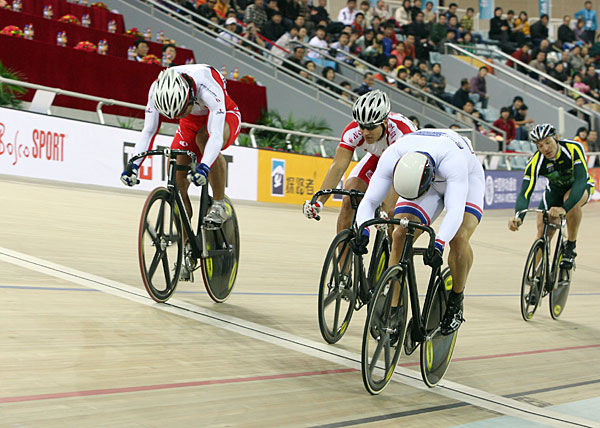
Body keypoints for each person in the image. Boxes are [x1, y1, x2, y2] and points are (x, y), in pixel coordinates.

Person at [352, 128, 485, 335]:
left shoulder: (453, 160)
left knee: (458, 238)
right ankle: (394, 308)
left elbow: (455, 210)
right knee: (399, 235)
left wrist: (439, 244)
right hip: (423, 182)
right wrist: (364, 231)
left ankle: (456, 301)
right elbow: (369, 200)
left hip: (465, 179)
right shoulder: (394, 154)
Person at [121, 66, 242, 278]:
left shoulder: (207, 86)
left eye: (180, 110)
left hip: (224, 115)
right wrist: (133, 165)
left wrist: (204, 166)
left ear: (190, 96)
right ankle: (188, 248)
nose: (176, 115)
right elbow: (149, 131)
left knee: (204, 139)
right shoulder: (156, 90)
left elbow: (214, 136)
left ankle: (220, 203)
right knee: (176, 171)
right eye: (173, 114)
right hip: (190, 124)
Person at [302, 90, 417, 235]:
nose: (365, 132)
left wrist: (385, 210)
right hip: (377, 158)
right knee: (350, 195)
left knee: (392, 216)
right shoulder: (353, 130)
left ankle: (393, 255)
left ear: (385, 122)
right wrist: (319, 202)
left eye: (371, 127)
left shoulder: (402, 133)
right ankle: (343, 257)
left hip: (406, 167)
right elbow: (338, 167)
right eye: (362, 126)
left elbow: (399, 176)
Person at [509, 124, 595, 271]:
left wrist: (564, 208)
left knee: (570, 200)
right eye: (540, 145)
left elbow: (581, 180)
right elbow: (525, 192)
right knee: (543, 231)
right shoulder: (536, 161)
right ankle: (534, 277)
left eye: (548, 142)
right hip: (554, 191)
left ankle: (570, 246)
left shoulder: (574, 148)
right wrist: (518, 216)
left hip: (580, 187)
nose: (545, 149)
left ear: (556, 138)